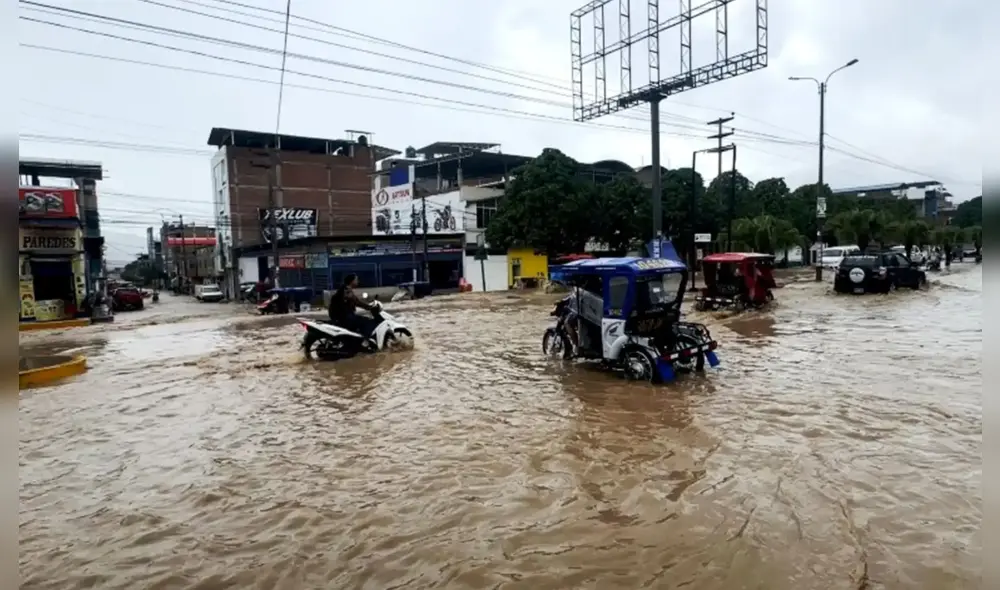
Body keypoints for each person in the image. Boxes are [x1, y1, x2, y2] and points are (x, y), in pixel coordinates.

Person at [328, 274, 378, 339]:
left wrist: (368, 306)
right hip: (344, 317)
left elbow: (356, 301)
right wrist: (369, 307)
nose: (358, 281)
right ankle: (365, 340)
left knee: (363, 320)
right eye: (356, 280)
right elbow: (356, 302)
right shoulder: (346, 290)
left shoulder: (346, 288)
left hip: (343, 316)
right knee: (367, 322)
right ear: (352, 281)